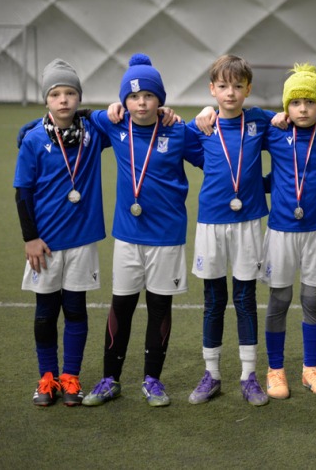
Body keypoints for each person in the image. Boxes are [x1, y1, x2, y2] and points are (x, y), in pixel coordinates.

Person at [82, 55, 203, 407]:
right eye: (133, 97)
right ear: (124, 101)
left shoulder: (178, 131)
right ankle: (110, 379)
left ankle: (153, 380)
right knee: (121, 305)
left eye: (149, 96)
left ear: (160, 100)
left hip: (166, 236)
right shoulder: (114, 123)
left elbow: (210, 156)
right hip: (128, 235)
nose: (141, 103)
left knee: (159, 307)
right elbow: (74, 114)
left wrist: (207, 115)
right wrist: (31, 128)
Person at [15, 59, 110, 407]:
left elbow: (120, 120)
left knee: (75, 310)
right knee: (45, 313)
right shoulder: (33, 139)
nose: (63, 100)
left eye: (70, 93)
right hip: (45, 244)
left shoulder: (92, 135)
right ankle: (47, 377)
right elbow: (22, 193)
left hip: (82, 242)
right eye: (55, 94)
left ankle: (70, 376)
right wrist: (30, 238)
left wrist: (93, 113)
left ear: (79, 98)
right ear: (46, 100)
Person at [187, 55, 272, 406]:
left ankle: (249, 376)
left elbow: (294, 125)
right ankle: (212, 374)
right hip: (211, 222)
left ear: (248, 89)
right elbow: (169, 131)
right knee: (213, 301)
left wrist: (268, 184)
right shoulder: (201, 127)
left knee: (245, 299)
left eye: (238, 86)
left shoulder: (260, 121)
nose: (230, 93)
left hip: (248, 222)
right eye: (223, 86)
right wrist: (200, 113)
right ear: (212, 89)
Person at [261, 64, 316, 400]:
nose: (303, 109)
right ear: (286, 106)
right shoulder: (273, 130)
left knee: (312, 298)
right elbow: (240, 116)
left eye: (310, 102)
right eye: (295, 103)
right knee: (279, 299)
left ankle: (310, 368)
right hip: (281, 228)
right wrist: (207, 111)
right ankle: (275, 369)